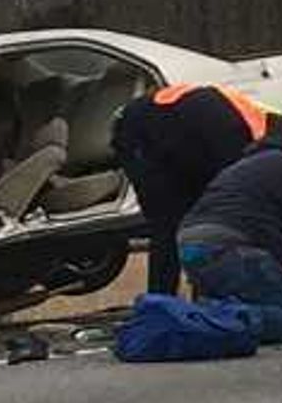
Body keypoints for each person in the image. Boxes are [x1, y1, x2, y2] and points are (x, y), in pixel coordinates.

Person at [174, 124, 282, 345]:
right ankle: (208, 324)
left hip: (190, 244)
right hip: (232, 248)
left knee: (265, 295)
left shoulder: (240, 166)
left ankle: (199, 319)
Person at [111, 82, 267, 296]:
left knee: (176, 228)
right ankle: (168, 301)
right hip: (142, 136)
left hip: (159, 130)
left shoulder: (242, 123)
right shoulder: (240, 137)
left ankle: (171, 299)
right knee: (171, 226)